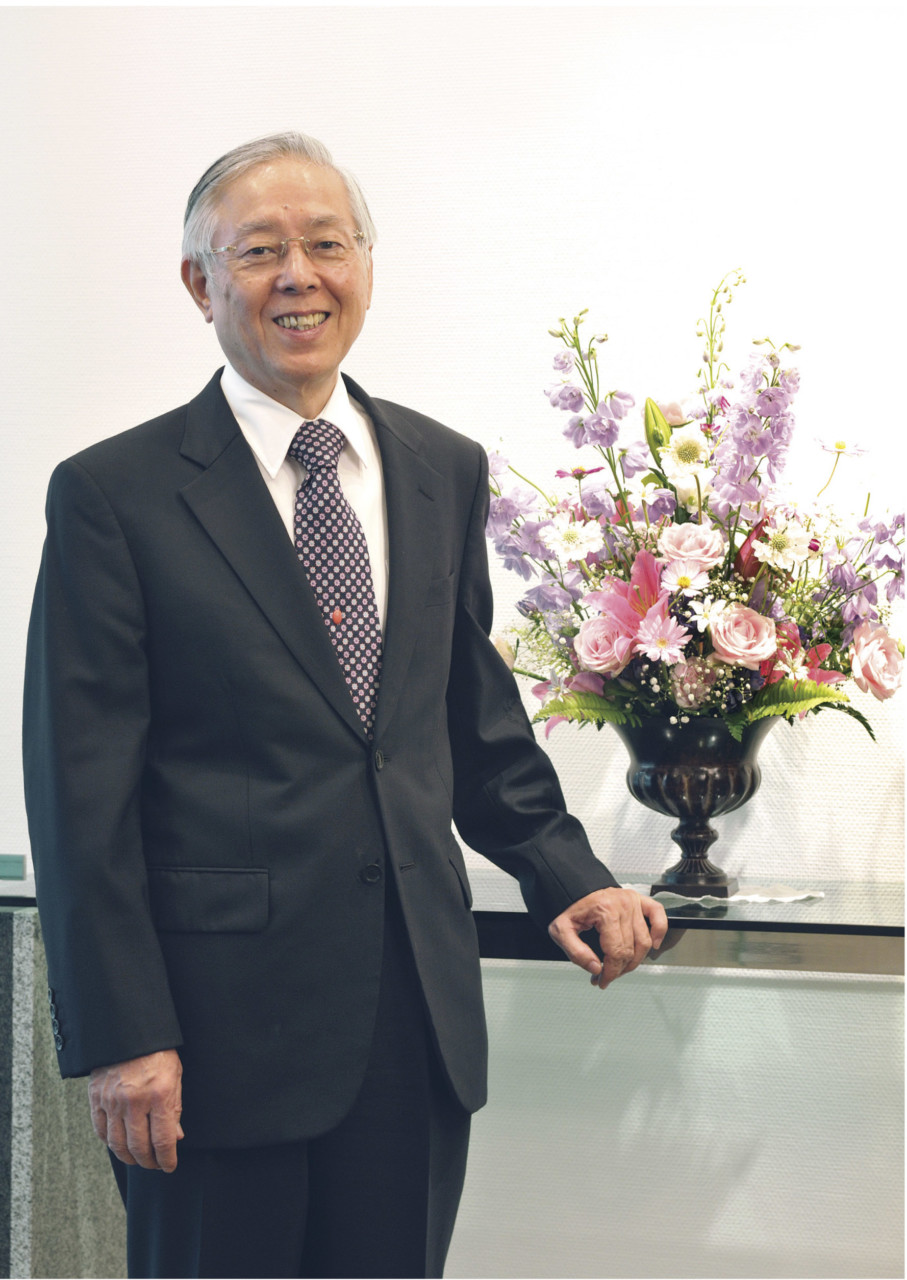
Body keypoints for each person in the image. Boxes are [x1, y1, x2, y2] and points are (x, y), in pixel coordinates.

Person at [22, 131, 668, 1279]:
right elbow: (82, 799)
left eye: (326, 244)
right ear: (200, 283)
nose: (298, 275)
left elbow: (470, 724)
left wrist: (567, 873)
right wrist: (124, 1033)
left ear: (365, 265)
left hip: (412, 1023)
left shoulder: (440, 467)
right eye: (258, 250)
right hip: (210, 1041)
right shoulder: (114, 495)